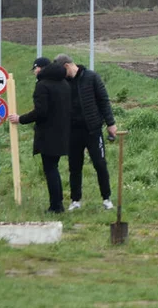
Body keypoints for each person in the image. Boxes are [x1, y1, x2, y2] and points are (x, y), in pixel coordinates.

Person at [54, 54, 117, 211]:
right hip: (72, 131)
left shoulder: (92, 77)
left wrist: (111, 123)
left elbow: (103, 100)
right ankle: (75, 200)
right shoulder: (63, 83)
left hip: (93, 129)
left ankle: (106, 198)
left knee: (100, 164)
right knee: (74, 166)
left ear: (67, 66)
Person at [8, 57, 70, 213]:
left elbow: (41, 112)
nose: (35, 71)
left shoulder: (42, 86)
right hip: (63, 132)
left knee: (50, 169)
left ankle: (56, 206)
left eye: (35, 68)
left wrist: (20, 119)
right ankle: (58, 204)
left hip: (48, 134)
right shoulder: (64, 83)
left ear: (41, 68)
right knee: (53, 168)